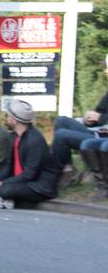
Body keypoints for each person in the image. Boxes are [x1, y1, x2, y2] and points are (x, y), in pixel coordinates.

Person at [0, 99, 59, 209]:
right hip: (17, 180)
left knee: (6, 189)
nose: (7, 118)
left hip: (36, 185)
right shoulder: (13, 136)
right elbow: (8, 166)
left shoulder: (35, 141)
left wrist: (1, 184)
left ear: (15, 121)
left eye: (8, 116)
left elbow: (29, 175)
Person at [51, 55, 108, 191]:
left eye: (107, 68)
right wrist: (89, 119)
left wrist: (99, 118)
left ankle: (55, 175)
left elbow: (101, 117)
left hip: (103, 139)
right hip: (98, 132)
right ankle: (68, 169)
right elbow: (98, 113)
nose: (105, 72)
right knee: (61, 120)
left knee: (61, 135)